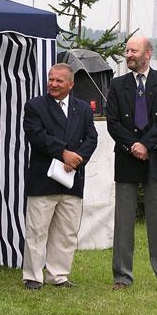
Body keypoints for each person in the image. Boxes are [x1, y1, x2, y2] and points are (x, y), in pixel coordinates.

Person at [104, 35, 157, 292]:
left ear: (148, 53)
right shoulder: (117, 85)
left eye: (133, 51)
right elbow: (113, 122)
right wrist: (133, 146)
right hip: (127, 158)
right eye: (127, 50)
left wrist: (146, 144)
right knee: (123, 221)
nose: (129, 55)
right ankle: (122, 277)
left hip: (156, 157)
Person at [22, 63, 98, 290]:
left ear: (71, 84)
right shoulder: (35, 106)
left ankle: (58, 275)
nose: (53, 84)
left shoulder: (83, 108)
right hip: (43, 180)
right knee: (37, 231)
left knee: (66, 231)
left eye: (59, 81)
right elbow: (36, 136)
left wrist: (77, 159)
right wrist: (63, 153)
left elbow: (91, 138)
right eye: (51, 79)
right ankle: (33, 276)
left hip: (72, 178)